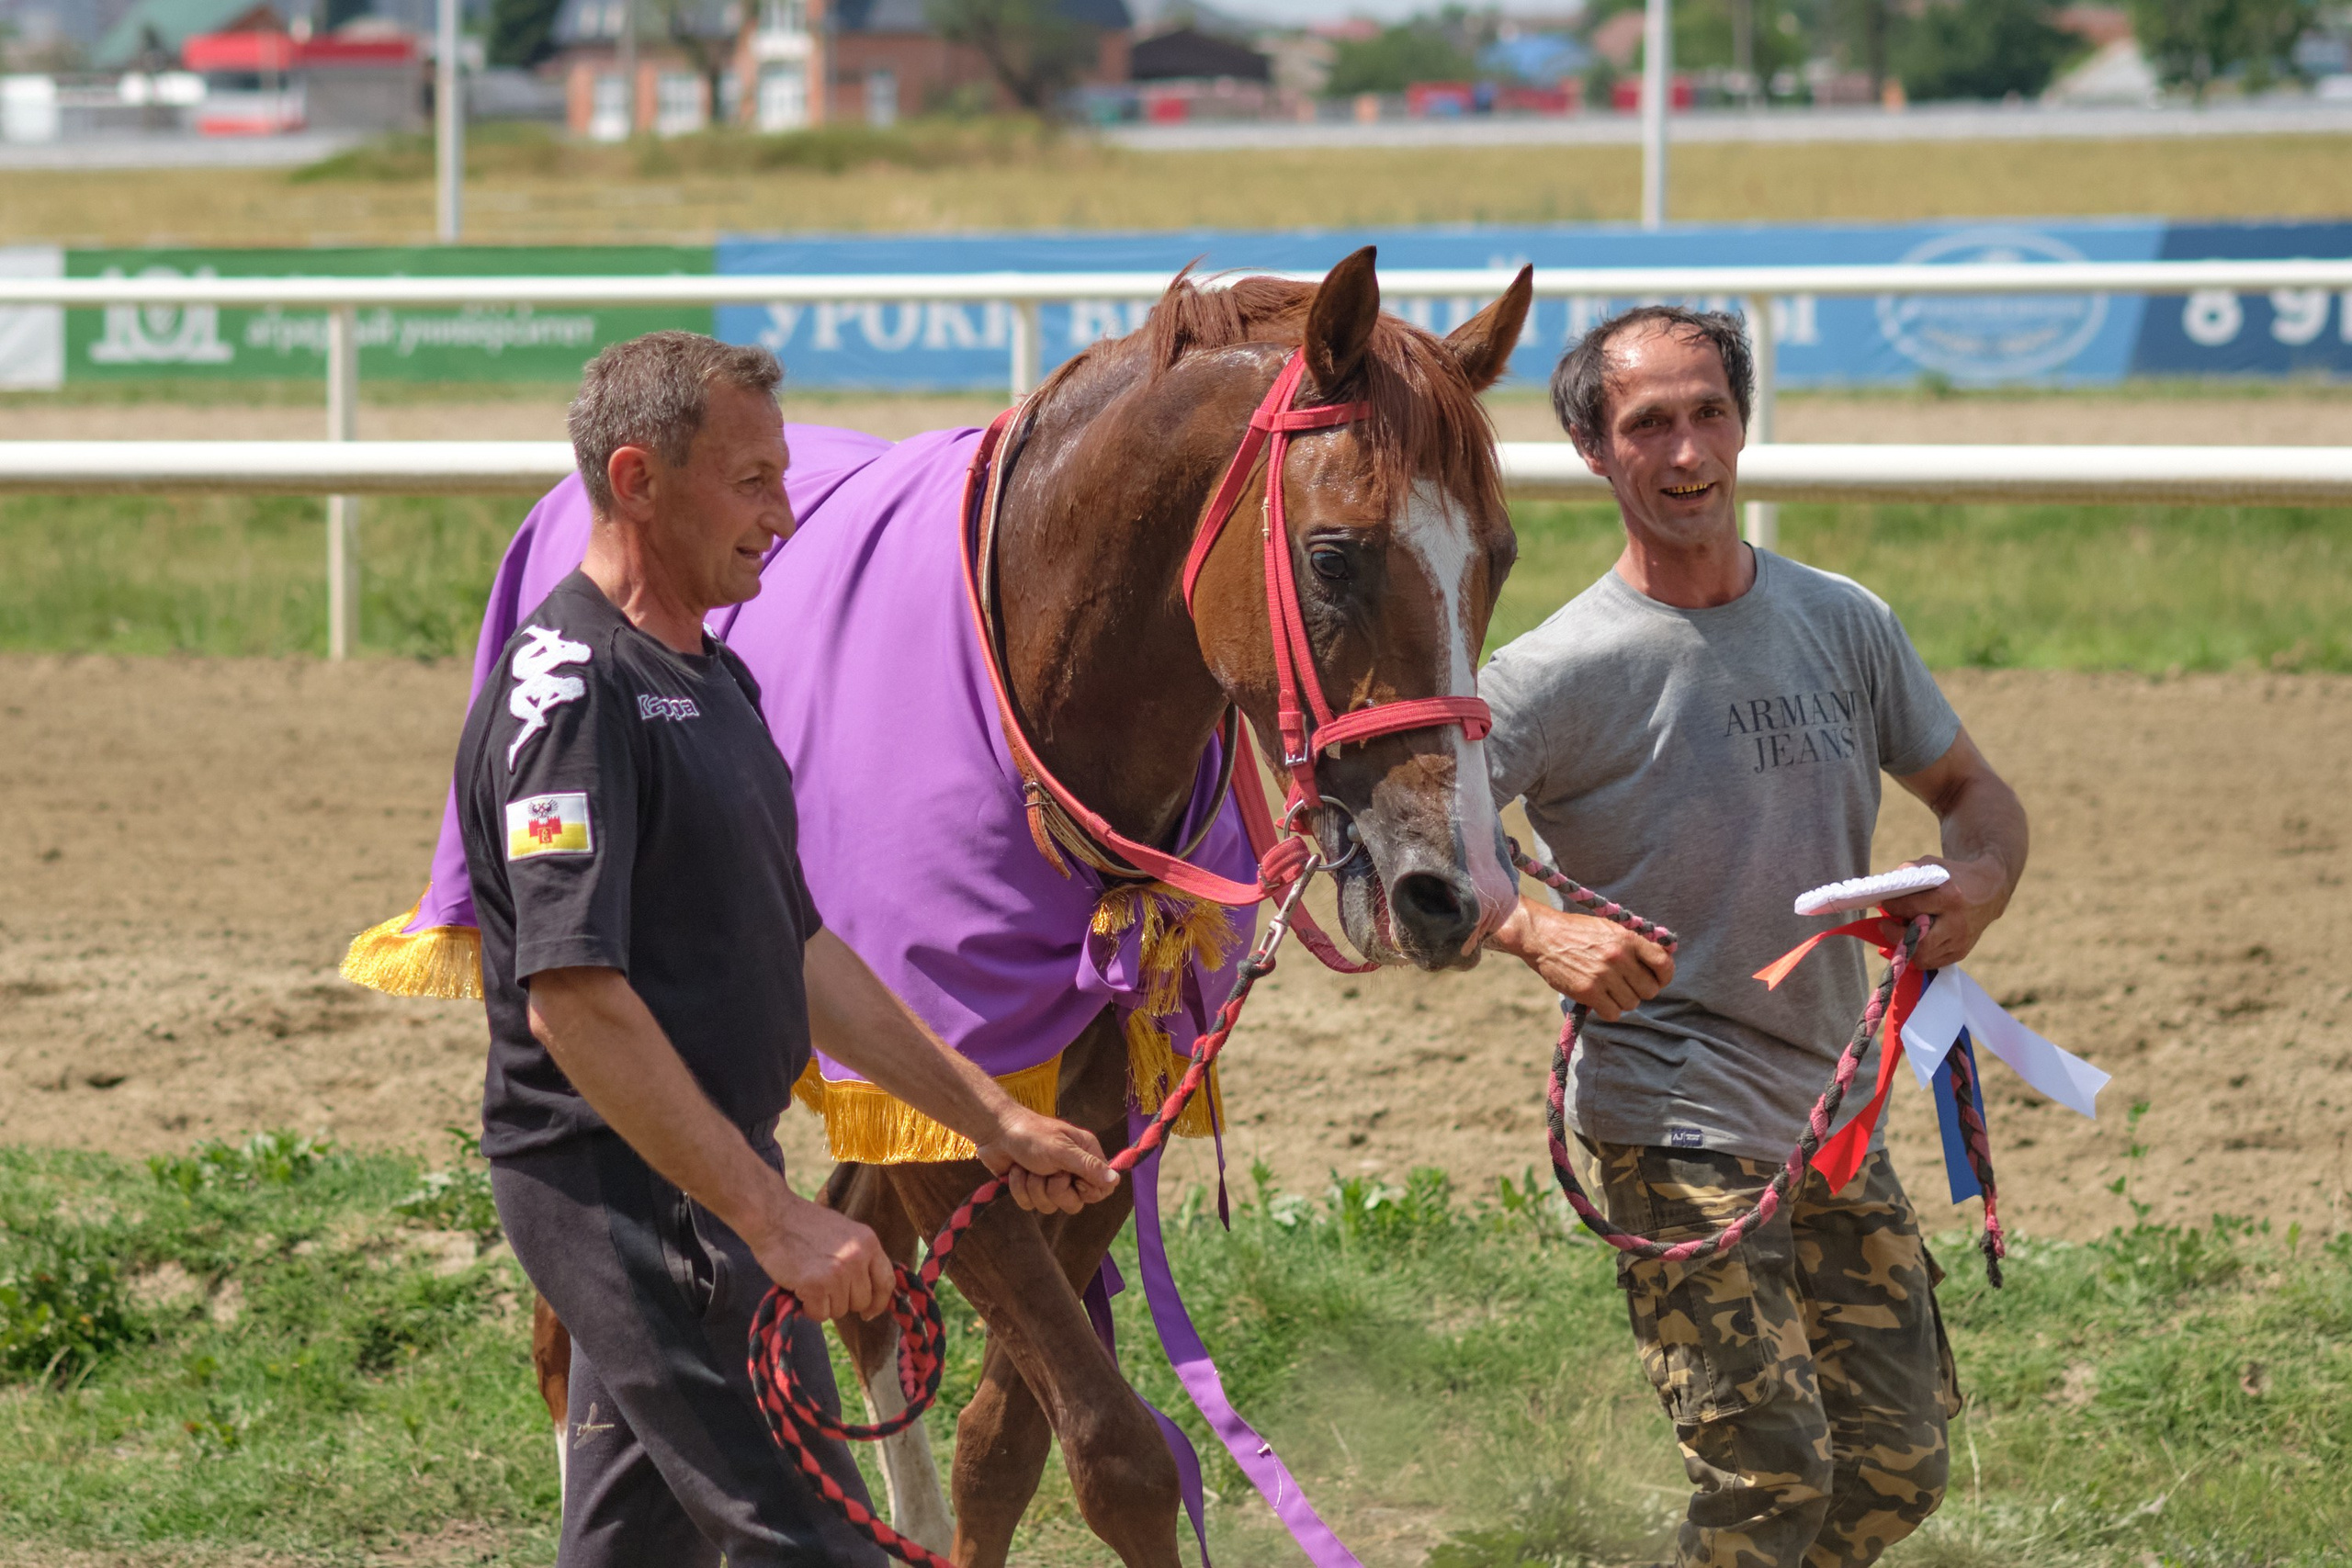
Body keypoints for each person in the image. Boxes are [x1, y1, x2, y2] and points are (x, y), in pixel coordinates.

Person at [459, 332, 1119, 1568]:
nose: (786, 510)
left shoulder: (713, 673)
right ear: (638, 478)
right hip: (627, 1197)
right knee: (815, 1545)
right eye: (751, 480)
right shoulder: (571, 696)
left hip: (697, 1179)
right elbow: (574, 999)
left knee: (631, 1551)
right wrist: (776, 1222)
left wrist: (991, 1119)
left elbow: (800, 945)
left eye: (783, 474)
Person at [1480, 306, 2030, 1568]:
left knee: (1896, 1471)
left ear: (1742, 420)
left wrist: (1982, 878)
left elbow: (1976, 795)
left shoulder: (1841, 620)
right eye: (1648, 424)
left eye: (1708, 413)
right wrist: (1534, 928)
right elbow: (1412, 842)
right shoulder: (1550, 675)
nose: (1686, 453)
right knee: (1768, 1476)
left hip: (1834, 1107)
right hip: (1670, 1117)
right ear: (1591, 449)